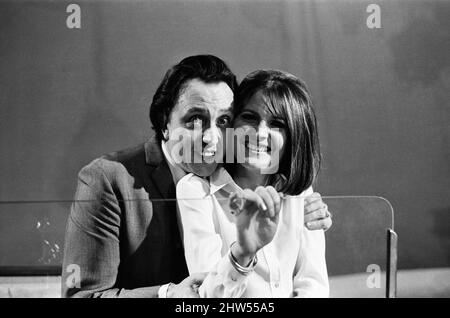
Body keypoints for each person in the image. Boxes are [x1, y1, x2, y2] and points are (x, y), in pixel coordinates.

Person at [61, 55, 331, 298]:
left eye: (223, 121)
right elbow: (81, 297)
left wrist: (305, 211)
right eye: (194, 120)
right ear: (165, 123)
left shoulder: (251, 172)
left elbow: (311, 283)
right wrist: (168, 295)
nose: (211, 137)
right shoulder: (106, 178)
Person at [176, 69, 329, 297]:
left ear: (294, 136)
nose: (260, 133)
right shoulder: (196, 190)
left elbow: (314, 286)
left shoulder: (301, 193)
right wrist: (243, 253)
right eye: (250, 117)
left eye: (277, 123)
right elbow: (206, 295)